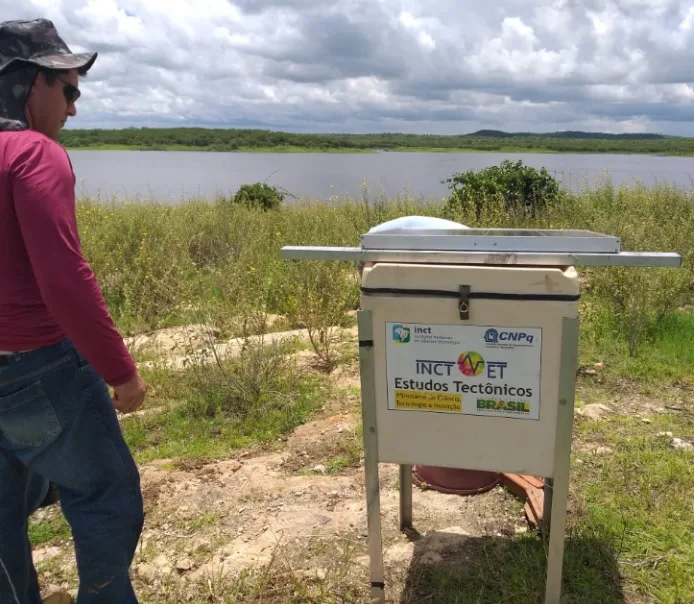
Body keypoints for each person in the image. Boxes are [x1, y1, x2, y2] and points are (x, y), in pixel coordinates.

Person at [0, 18, 147, 604]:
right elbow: (64, 279)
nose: (74, 109)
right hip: (38, 368)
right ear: (31, 84)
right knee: (108, 494)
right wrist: (120, 371)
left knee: (6, 507)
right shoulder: (35, 155)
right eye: (68, 89)